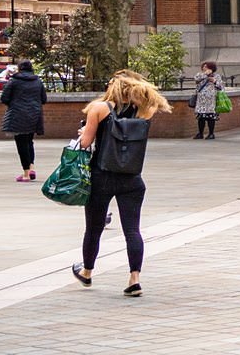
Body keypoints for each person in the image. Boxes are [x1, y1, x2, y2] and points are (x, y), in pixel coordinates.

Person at [69, 69, 171, 297]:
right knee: (132, 230)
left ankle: (86, 272)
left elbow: (85, 143)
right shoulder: (146, 110)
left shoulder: (98, 109)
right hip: (132, 178)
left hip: (101, 176)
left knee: (94, 229)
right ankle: (134, 278)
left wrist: (85, 131)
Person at [0, 59, 46, 183]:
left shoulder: (14, 81)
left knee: (21, 144)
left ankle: (26, 173)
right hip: (34, 115)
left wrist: (14, 104)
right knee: (29, 141)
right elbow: (44, 99)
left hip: (17, 115)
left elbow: (4, 98)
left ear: (19, 68)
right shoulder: (38, 81)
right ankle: (31, 168)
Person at [191, 62, 223, 140]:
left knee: (210, 117)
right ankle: (200, 133)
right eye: (204, 66)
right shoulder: (200, 74)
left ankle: (211, 134)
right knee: (201, 117)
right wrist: (205, 74)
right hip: (201, 99)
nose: (204, 68)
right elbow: (196, 79)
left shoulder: (217, 76)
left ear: (212, 68)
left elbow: (221, 86)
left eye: (207, 66)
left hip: (211, 100)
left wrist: (214, 81)